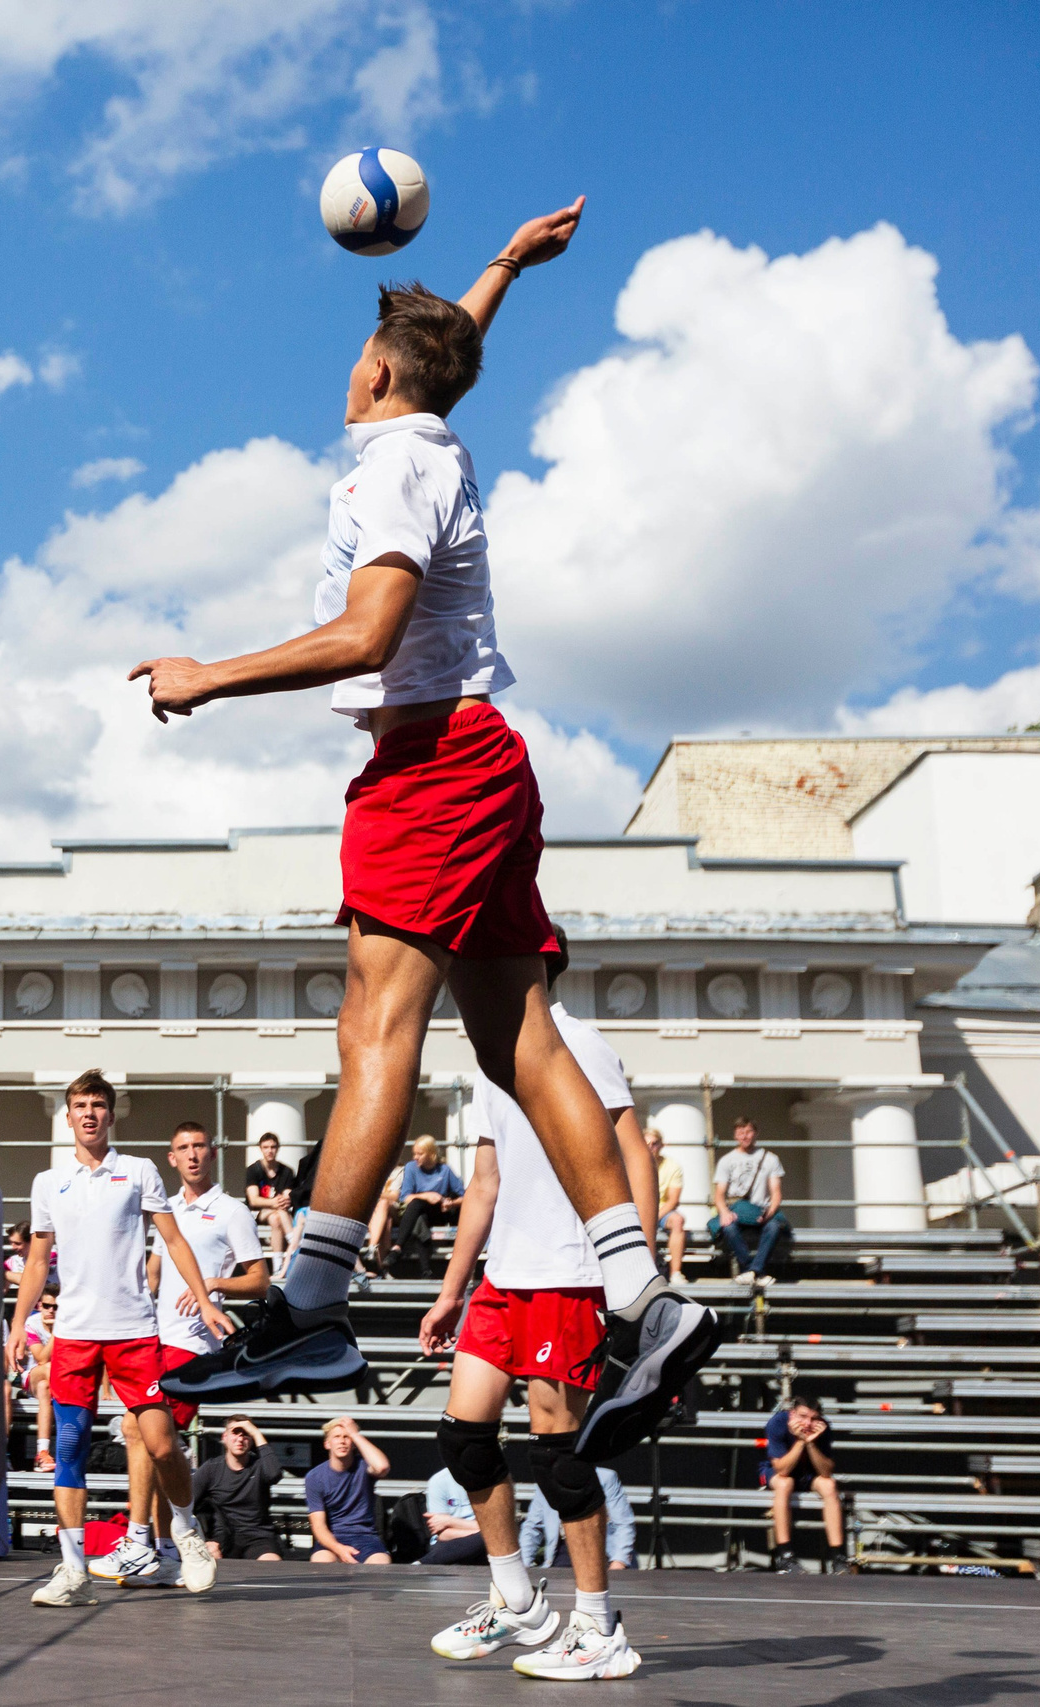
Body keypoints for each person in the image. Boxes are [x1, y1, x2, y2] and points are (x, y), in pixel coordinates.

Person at [135, 203, 718, 1470]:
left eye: (366, 350)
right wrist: (503, 267)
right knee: (516, 1041)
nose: (350, 361)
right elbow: (442, 350)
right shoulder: (430, 435)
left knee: (373, 1030)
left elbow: (364, 638)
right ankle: (646, 1300)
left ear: (380, 372)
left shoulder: (396, 464)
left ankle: (311, 1307)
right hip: (481, 760)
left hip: (430, 769)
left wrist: (204, 675)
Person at [418, 935, 653, 1680]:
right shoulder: (494, 1061)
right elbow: (484, 1182)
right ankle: (518, 1600)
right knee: (463, 1437)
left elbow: (632, 1152)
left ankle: (598, 1624)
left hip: (570, 1273)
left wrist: (637, 1277)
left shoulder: (583, 1043)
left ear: (530, 966)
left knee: (559, 1455)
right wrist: (452, 1288)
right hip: (503, 1277)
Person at [6, 1071, 233, 1605]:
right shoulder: (48, 1183)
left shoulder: (138, 1171)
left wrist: (202, 1298)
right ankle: (71, 1570)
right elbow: (38, 1260)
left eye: (98, 1105)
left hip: (133, 1333)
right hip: (76, 1337)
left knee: (159, 1443)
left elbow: (173, 1240)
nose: (89, 1113)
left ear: (111, 1115)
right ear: (68, 1117)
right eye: (80, 1105)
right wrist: (18, 1325)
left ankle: (185, 1531)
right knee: (68, 1447)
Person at [108, 1120, 270, 1584]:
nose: (193, 1154)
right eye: (184, 1147)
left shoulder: (231, 1210)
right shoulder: (167, 1208)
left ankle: (145, 1541)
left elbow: (259, 1280)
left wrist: (214, 1284)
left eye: (200, 1146)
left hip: (195, 1342)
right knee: (157, 1448)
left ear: (212, 1153)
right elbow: (154, 1275)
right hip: (155, 1338)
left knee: (139, 1431)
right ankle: (166, 1550)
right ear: (171, 1158)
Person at [764, 1397, 843, 1572]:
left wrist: (811, 1443)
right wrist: (800, 1441)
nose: (808, 1423)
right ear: (792, 1413)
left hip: (809, 1473)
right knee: (785, 1483)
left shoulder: (823, 1427)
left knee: (829, 1485)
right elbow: (782, 1469)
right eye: (802, 1416)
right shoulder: (777, 1423)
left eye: (814, 1418)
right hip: (779, 1471)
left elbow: (826, 1471)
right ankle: (785, 1555)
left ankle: (838, 1557)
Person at [193, 1417, 287, 1562]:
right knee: (209, 1560)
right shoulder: (211, 1469)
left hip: (258, 1537)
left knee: (271, 1563)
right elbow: (185, 1504)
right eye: (235, 1433)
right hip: (223, 1537)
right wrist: (204, 1540)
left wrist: (255, 1432)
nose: (240, 1438)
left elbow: (275, 1474)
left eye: (245, 1434)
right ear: (224, 1437)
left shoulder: (259, 1465)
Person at [304, 1417, 390, 1564]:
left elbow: (382, 1467)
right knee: (321, 1562)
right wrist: (339, 1549)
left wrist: (355, 1434)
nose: (342, 1441)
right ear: (327, 1444)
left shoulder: (364, 1467)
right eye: (336, 1437)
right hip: (333, 1538)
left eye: (347, 1437)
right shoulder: (315, 1477)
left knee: (381, 1564)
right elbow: (319, 1526)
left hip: (366, 1537)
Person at [712, 1119, 788, 1284]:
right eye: (740, 1133)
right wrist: (724, 1212)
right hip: (737, 1211)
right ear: (735, 1135)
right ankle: (754, 1272)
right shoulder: (727, 1160)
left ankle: (752, 1271)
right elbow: (719, 1194)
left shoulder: (770, 1158)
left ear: (756, 1133)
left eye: (748, 1132)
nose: (744, 1136)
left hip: (761, 1211)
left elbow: (776, 1193)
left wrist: (770, 1211)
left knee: (774, 1227)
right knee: (729, 1228)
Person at [376, 1136, 465, 1276]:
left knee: (418, 1210)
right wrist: (427, 1195)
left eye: (420, 1154)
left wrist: (451, 1203)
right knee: (418, 1216)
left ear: (431, 1154)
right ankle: (425, 1270)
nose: (415, 1157)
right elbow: (405, 1197)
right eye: (414, 1153)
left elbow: (464, 1196)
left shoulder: (444, 1170)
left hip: (440, 1211)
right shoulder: (411, 1168)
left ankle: (398, 1248)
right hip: (418, 1211)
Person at [521, 1466, 637, 1572]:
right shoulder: (547, 1482)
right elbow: (532, 1528)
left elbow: (624, 1523)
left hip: (601, 1554)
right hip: (562, 1556)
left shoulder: (606, 1478)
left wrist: (619, 1562)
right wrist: (522, 1565)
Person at [421, 1467, 488, 1565]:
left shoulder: (495, 1482)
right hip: (447, 1542)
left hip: (484, 1543)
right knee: (488, 1538)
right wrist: (483, 1533)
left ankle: (422, 1563)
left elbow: (499, 1528)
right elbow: (443, 1534)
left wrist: (450, 1521)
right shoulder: (439, 1481)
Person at [243, 1134, 297, 1251]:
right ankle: (294, 1241)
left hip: (278, 1212)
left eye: (273, 1147)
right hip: (257, 1213)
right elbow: (254, 1200)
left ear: (277, 1148)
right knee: (279, 1211)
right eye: (266, 1147)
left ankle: (277, 1262)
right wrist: (274, 1202)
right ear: (260, 1148)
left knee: (275, 1218)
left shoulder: (287, 1171)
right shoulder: (253, 1170)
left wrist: (281, 1202)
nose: (269, 1151)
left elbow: (287, 1197)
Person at [647, 1127, 688, 1277]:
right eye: (646, 1144)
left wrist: (652, 1218)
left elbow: (673, 1201)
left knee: (678, 1220)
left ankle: (675, 1273)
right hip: (638, 1210)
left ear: (661, 1145)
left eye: (654, 1143)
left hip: (661, 1211)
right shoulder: (632, 1164)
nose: (650, 1147)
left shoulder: (672, 1166)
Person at [24, 1291, 57, 1471]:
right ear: (39, 1306)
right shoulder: (32, 1323)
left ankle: (42, 1452)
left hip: (51, 1383)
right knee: (49, 1369)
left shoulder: (70, 1322)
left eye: (56, 1307)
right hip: (34, 1375)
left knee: (46, 1388)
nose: (51, 1310)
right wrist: (56, 1332)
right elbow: (42, 1358)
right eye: (47, 1306)